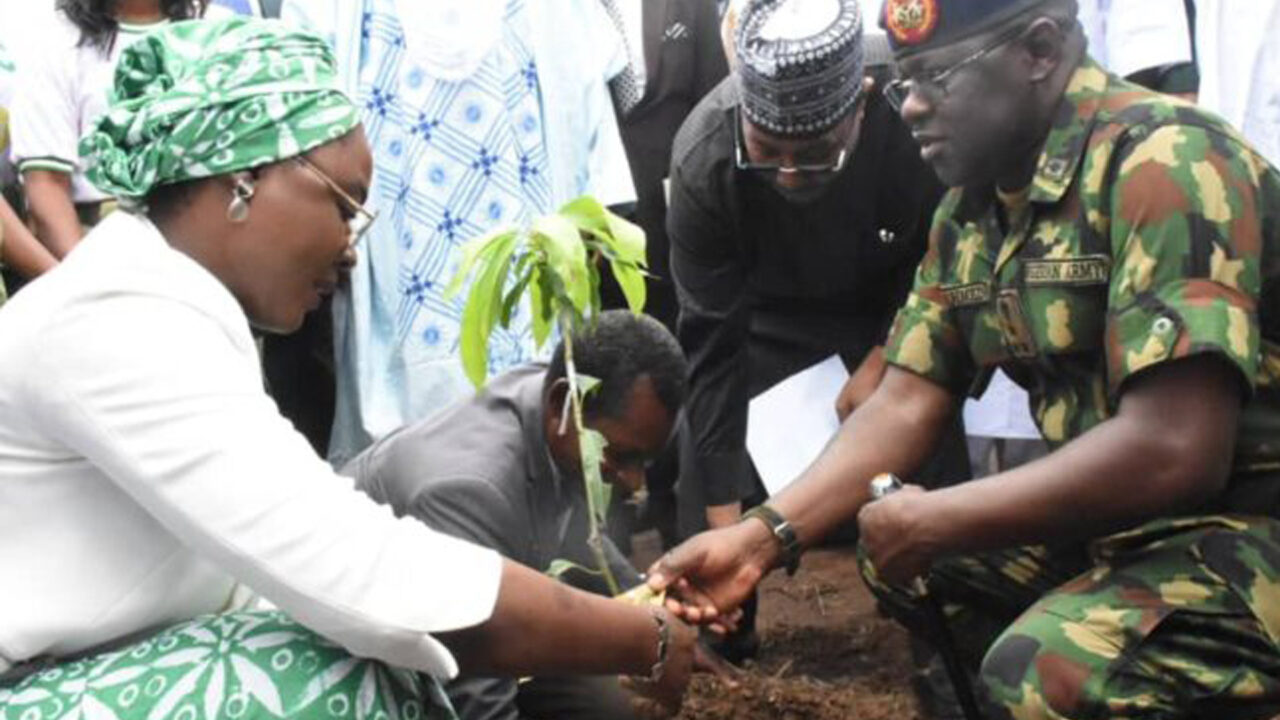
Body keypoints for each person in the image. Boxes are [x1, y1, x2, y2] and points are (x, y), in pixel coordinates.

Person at [0, 18, 697, 720]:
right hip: (31, 685)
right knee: (336, 678)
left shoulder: (172, 304)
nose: (351, 249)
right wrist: (644, 638)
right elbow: (358, 570)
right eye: (344, 204)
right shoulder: (120, 320)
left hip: (95, 661)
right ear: (243, 177)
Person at [648, 0, 1280, 717]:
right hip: (1127, 528)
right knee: (916, 564)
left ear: (1040, 51)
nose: (911, 105)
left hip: (1245, 527)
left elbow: (1177, 451)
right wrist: (761, 540)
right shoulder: (975, 211)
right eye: (905, 80)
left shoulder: (1166, 162)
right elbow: (909, 396)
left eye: (936, 78)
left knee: (1043, 669)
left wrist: (940, 515)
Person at [666, 0, 970, 664]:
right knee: (707, 469)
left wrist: (892, 348)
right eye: (767, 153)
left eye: (814, 155)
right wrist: (730, 537)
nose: (789, 174)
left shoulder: (919, 113)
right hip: (764, 325)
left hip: (895, 309)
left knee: (939, 525)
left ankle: (944, 653)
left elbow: (956, 251)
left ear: (861, 104)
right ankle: (724, 648)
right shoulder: (704, 158)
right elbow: (712, 350)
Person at [280, 0, 638, 466]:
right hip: (399, 284)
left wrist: (588, 228)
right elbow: (305, 110)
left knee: (540, 445)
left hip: (531, 267)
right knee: (417, 469)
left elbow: (589, 110)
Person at [345, 310, 686, 720]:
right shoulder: (470, 490)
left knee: (608, 700)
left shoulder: (563, 403)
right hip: (372, 658)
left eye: (644, 461)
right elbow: (475, 697)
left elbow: (575, 529)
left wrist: (650, 603)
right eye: (622, 457)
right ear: (562, 403)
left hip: (473, 626)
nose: (634, 482)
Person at [9, 0, 214, 259]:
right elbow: (47, 184)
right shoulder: (55, 40)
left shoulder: (218, 30)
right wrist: (92, 280)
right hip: (102, 240)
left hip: (209, 236)